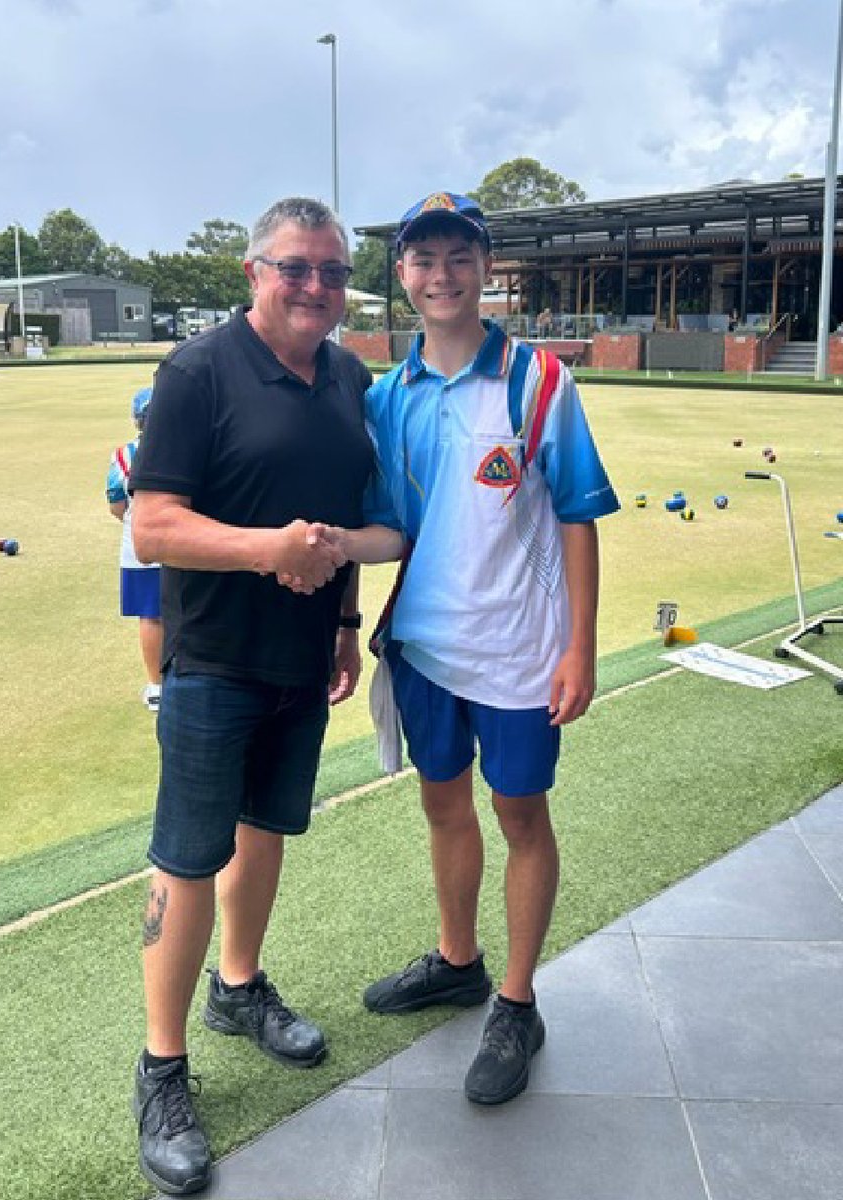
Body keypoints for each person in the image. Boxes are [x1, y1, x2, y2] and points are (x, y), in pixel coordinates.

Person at [332, 191, 620, 1108]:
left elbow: (578, 518)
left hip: (522, 656)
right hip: (422, 649)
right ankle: (460, 961)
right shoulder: (387, 399)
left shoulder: (539, 381)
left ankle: (517, 1001)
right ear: (404, 276)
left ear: (485, 270)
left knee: (521, 818)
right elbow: (386, 527)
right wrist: (332, 554)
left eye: (460, 256)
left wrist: (581, 648)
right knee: (443, 808)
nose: (441, 274)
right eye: (424, 259)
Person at [127, 196, 372, 1196]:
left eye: (330, 270)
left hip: (303, 661)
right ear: (253, 273)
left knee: (265, 831)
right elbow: (152, 526)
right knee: (188, 859)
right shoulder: (195, 371)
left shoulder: (350, 375)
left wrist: (348, 619)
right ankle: (161, 1064)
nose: (315, 286)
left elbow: (349, 518)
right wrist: (265, 552)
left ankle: (239, 988)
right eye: (295, 267)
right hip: (214, 661)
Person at [105, 386, 163, 711]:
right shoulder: (194, 448)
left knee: (151, 616)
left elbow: (116, 503)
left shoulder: (124, 455)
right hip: (189, 545)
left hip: (141, 548)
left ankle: (157, 686)